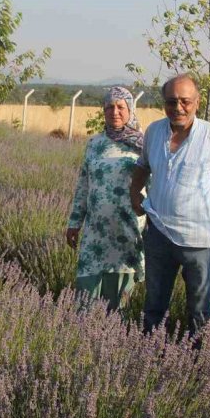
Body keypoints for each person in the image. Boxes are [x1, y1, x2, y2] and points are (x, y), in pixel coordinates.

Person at [129, 74, 210, 337]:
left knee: (199, 310)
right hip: (158, 234)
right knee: (154, 305)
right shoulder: (155, 132)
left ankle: (197, 361)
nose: (178, 107)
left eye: (185, 101)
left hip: (198, 241)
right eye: (171, 101)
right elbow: (143, 166)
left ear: (197, 102)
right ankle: (148, 354)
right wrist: (135, 193)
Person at [65, 86, 145, 310]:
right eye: (109, 107)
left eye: (121, 107)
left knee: (119, 304)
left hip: (127, 232)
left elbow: (156, 187)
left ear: (130, 110)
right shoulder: (95, 144)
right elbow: (83, 185)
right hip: (95, 233)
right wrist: (74, 223)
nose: (115, 112)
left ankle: (116, 343)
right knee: (85, 298)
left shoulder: (144, 145)